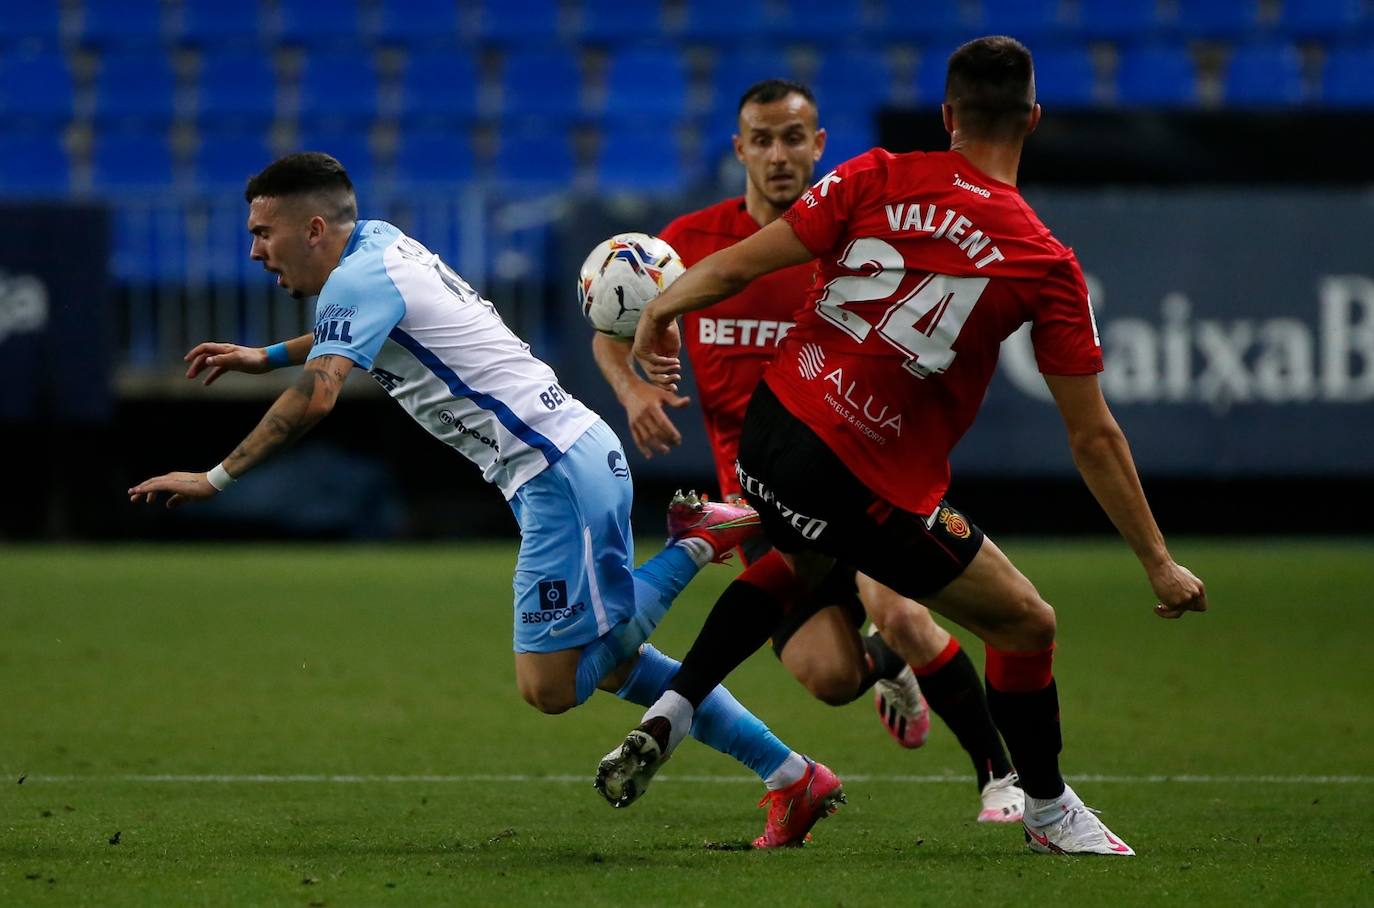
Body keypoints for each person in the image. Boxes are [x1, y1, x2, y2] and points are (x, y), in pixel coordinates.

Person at [128, 151, 844, 847]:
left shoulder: (357, 279)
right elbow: (352, 327)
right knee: (620, 664)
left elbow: (315, 400)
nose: (254, 250)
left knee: (551, 687)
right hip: (574, 459)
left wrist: (214, 477)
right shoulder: (384, 246)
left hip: (556, 477)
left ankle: (696, 539)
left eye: (262, 232)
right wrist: (265, 354)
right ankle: (790, 776)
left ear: (314, 229)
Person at [602, 37, 1209, 856]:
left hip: (771, 437)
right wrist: (1158, 562)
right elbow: (1093, 433)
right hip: (865, 479)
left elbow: (738, 265)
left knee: (805, 563)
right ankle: (1046, 805)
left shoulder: (874, 174)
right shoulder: (1046, 261)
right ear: (1032, 119)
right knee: (1027, 623)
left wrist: (659, 313)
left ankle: (677, 703)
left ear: (947, 116)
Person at [592, 78, 1023, 824]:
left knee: (903, 611)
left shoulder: (858, 243)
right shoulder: (690, 244)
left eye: (795, 137)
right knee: (829, 678)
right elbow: (610, 323)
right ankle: (884, 668)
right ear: (740, 149)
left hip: (857, 476)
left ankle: (1000, 778)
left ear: (819, 146)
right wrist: (632, 391)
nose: (780, 154)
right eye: (763, 139)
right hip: (763, 508)